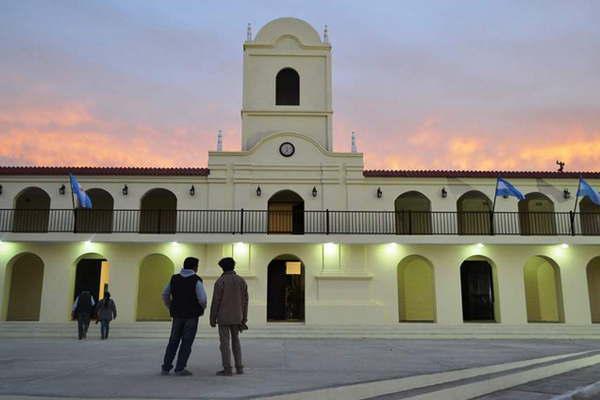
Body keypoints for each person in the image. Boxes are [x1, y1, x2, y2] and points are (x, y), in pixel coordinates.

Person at [161, 257, 207, 376]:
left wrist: (170, 306)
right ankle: (180, 368)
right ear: (195, 267)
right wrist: (202, 308)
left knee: (173, 340)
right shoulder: (196, 280)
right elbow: (202, 298)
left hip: (177, 314)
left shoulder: (174, 278)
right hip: (191, 315)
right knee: (186, 342)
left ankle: (166, 367)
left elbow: (165, 294)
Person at [210, 257, 248, 376]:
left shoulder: (220, 281)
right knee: (236, 341)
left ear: (222, 267)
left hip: (223, 317)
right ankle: (239, 367)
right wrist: (244, 317)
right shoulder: (241, 281)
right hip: (237, 316)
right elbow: (245, 301)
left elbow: (216, 301)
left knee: (224, 343)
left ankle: (227, 368)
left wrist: (212, 318)